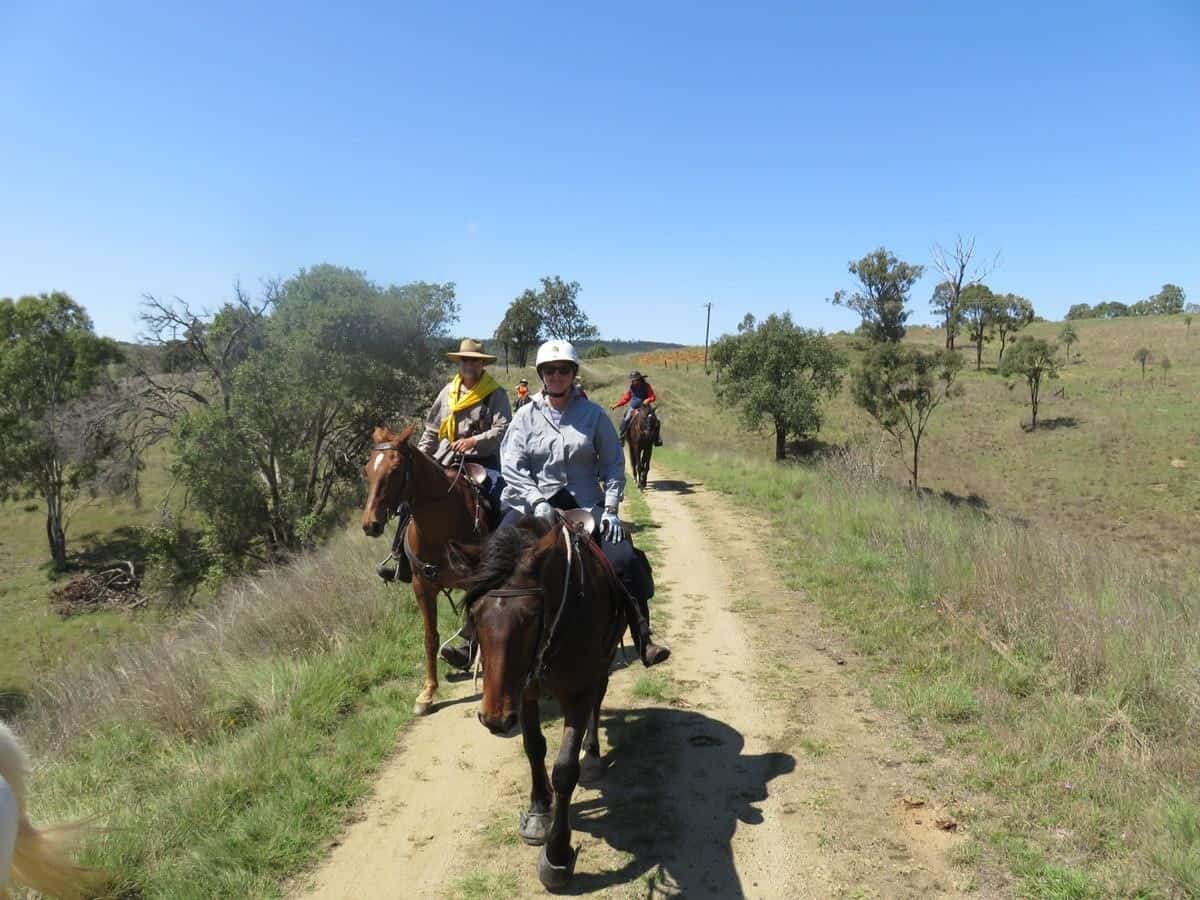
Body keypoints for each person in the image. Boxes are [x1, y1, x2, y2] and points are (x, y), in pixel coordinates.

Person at [497, 340, 668, 667]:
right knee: (495, 555)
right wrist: (535, 500)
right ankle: (473, 639)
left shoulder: (594, 415)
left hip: (586, 506)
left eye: (564, 369)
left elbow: (614, 464)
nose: (557, 375)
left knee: (624, 559)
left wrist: (613, 508)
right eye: (550, 370)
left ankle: (642, 636)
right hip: (537, 505)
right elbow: (512, 465)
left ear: (573, 373)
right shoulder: (525, 416)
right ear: (541, 374)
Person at [388, 338, 510, 584]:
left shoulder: (494, 393)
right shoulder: (447, 392)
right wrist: (421, 459)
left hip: (482, 460)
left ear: (481, 364)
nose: (469, 365)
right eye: (465, 360)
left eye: (474, 361)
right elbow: (432, 431)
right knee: (409, 499)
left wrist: (474, 441)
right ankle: (400, 558)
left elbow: (502, 429)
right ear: (459, 362)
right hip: (446, 457)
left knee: (502, 500)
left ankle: (502, 562)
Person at [611, 370, 662, 446]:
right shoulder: (632, 387)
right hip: (633, 407)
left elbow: (653, 397)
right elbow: (626, 398)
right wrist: (616, 405)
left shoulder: (646, 386)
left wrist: (648, 399)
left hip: (645, 407)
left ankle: (657, 439)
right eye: (632, 380)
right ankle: (621, 438)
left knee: (655, 420)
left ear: (638, 379)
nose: (632, 381)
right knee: (626, 418)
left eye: (634, 379)